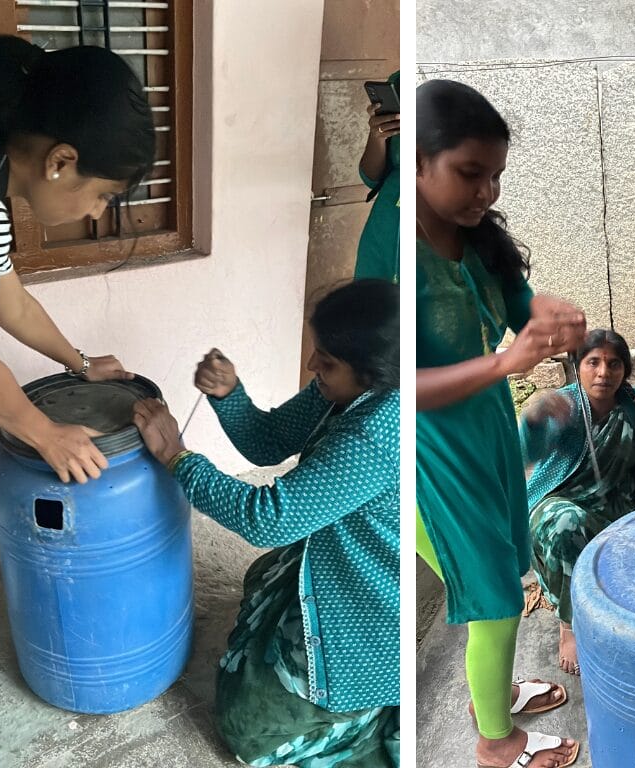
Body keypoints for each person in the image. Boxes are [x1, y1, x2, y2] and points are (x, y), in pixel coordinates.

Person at [132, 279, 400, 768]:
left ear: (374, 371)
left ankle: (367, 708)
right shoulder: (346, 390)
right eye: (318, 351)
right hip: (336, 555)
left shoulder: (381, 430)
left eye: (327, 361)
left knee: (247, 728)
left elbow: (269, 519)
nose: (313, 365)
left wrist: (176, 457)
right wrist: (229, 393)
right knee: (264, 581)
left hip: (376, 608)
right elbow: (270, 439)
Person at [416, 79, 585, 768]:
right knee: (492, 601)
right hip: (430, 458)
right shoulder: (400, 254)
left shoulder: (476, 240)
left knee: (503, 581)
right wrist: (505, 363)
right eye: (468, 173)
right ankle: (495, 743)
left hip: (482, 436)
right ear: (420, 162)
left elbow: (521, 309)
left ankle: (493, 693)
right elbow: (398, 388)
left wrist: (550, 314)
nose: (486, 192)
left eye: (494, 177)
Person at [0, 35, 154, 483]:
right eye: (103, 195)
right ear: (61, 161)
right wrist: (47, 436)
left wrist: (81, 363)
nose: (96, 212)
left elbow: (12, 301)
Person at [520, 328, 635, 676]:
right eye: (593, 362)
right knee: (566, 525)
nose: (603, 373)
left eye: (613, 364)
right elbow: (525, 453)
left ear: (625, 369)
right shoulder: (564, 405)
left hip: (619, 501)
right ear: (577, 366)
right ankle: (570, 623)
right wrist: (533, 421)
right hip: (564, 503)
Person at [355, 71, 400, 282]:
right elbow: (370, 178)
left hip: (435, 221)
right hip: (386, 226)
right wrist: (377, 136)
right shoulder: (399, 82)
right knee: (373, 308)